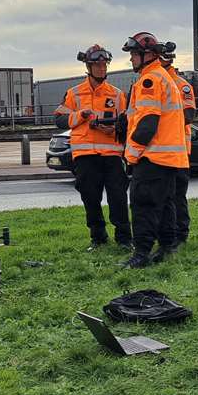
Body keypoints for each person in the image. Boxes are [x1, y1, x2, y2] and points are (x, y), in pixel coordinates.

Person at [121, 31, 189, 268]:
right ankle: (167, 247)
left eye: (133, 55)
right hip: (169, 158)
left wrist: (131, 154)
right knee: (166, 204)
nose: (131, 59)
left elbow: (147, 124)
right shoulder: (162, 77)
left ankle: (141, 254)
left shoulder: (149, 80)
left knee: (143, 205)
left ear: (146, 54)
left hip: (153, 156)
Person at [53, 44, 131, 251]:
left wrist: (113, 129)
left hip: (112, 154)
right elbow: (59, 119)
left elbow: (126, 124)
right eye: (98, 65)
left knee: (118, 197)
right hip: (85, 155)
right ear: (89, 66)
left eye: (105, 65)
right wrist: (81, 116)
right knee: (90, 198)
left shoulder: (117, 94)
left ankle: (124, 239)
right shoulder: (74, 93)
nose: (102, 69)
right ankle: (98, 238)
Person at [159, 43, 196, 247]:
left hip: (179, 151)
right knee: (163, 196)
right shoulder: (151, 82)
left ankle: (181, 234)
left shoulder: (182, 85)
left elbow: (189, 115)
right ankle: (166, 233)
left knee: (177, 195)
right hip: (159, 151)